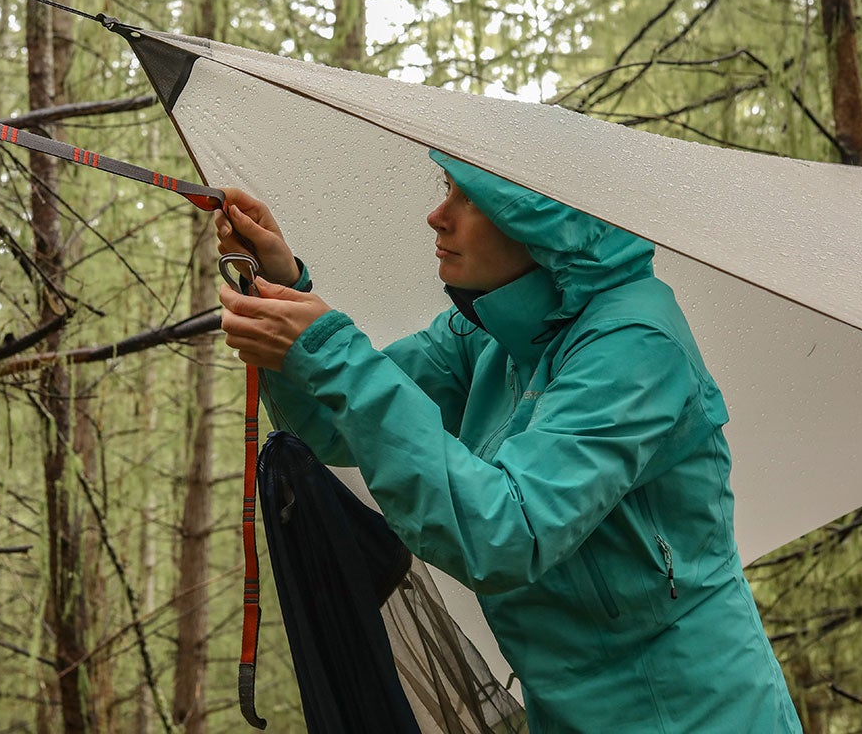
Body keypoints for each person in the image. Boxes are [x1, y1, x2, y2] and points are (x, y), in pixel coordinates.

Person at [217, 150, 803, 734]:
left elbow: (504, 532)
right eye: (446, 189)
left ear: (538, 222)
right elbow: (330, 426)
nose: (437, 216)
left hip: (697, 714)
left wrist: (332, 353)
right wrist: (279, 284)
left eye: (467, 199)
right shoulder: (490, 331)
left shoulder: (636, 345)